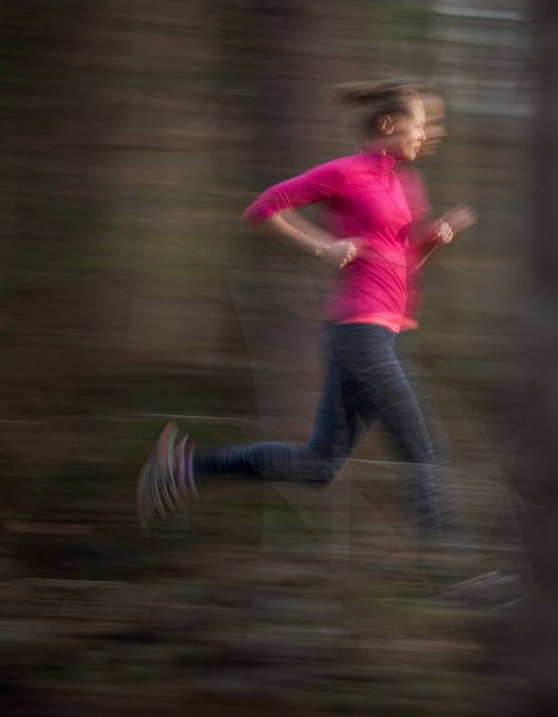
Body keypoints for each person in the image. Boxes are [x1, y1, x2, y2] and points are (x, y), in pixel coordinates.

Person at [136, 79, 477, 548]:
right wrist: (323, 246)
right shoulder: (347, 171)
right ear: (388, 124)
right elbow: (263, 207)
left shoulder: (402, 183)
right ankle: (456, 577)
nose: (426, 133)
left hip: (378, 334)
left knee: (318, 467)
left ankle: (185, 467)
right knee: (426, 452)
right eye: (419, 124)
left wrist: (431, 243)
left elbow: (401, 263)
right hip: (361, 335)